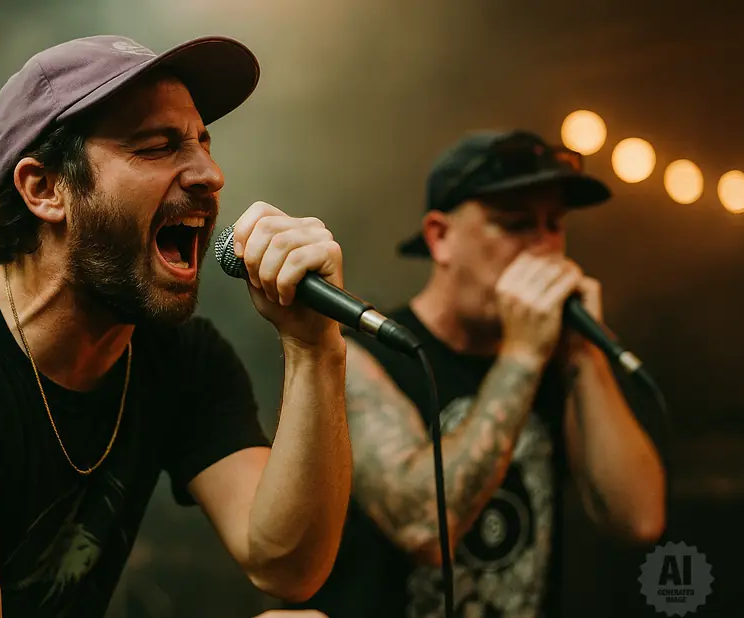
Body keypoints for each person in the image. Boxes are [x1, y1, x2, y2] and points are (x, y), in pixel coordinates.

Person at [0, 35, 352, 618]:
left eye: (204, 142)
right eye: (158, 146)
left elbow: (287, 565)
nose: (210, 174)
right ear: (45, 188)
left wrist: (313, 346)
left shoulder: (180, 356)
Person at [287, 130, 669, 617]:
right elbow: (424, 527)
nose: (544, 248)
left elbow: (639, 519)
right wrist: (523, 356)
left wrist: (582, 353)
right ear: (440, 237)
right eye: (516, 224)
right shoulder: (363, 356)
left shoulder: (557, 361)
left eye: (554, 224)